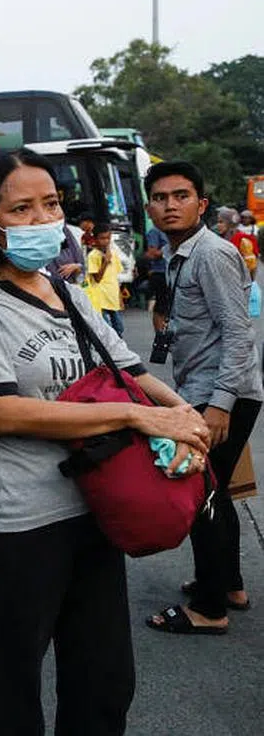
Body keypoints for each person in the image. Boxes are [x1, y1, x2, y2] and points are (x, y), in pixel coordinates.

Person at [0, 149, 209, 734]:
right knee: (10, 688)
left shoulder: (66, 291)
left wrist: (183, 414)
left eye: (51, 204)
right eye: (22, 208)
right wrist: (137, 419)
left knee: (103, 679)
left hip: (95, 508)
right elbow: (2, 412)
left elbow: (129, 371)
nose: (42, 219)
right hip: (19, 524)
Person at [143, 161, 264, 635]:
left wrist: (219, 405)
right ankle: (228, 585)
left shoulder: (211, 254)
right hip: (203, 390)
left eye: (181, 196)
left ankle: (209, 610)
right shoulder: (180, 255)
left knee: (199, 495)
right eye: (160, 198)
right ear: (149, 207)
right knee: (217, 492)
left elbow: (239, 333)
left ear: (202, 204)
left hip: (219, 394)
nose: (170, 205)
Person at [86, 224, 125, 335]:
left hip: (112, 297)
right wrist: (105, 262)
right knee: (106, 330)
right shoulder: (93, 256)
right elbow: (97, 278)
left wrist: (120, 298)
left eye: (108, 238)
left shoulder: (113, 254)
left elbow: (116, 278)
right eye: (102, 238)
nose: (106, 241)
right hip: (100, 299)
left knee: (119, 328)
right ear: (95, 239)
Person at [145, 224, 171, 326]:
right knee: (161, 306)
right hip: (160, 272)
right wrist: (169, 248)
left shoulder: (172, 231)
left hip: (172, 271)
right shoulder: (155, 231)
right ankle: (159, 333)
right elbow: (151, 253)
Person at [229, 211, 260, 278]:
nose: (244, 219)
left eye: (247, 218)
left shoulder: (254, 228)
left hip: (251, 254)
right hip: (240, 254)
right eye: (243, 217)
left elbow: (256, 241)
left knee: (252, 273)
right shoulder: (237, 227)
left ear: (251, 219)